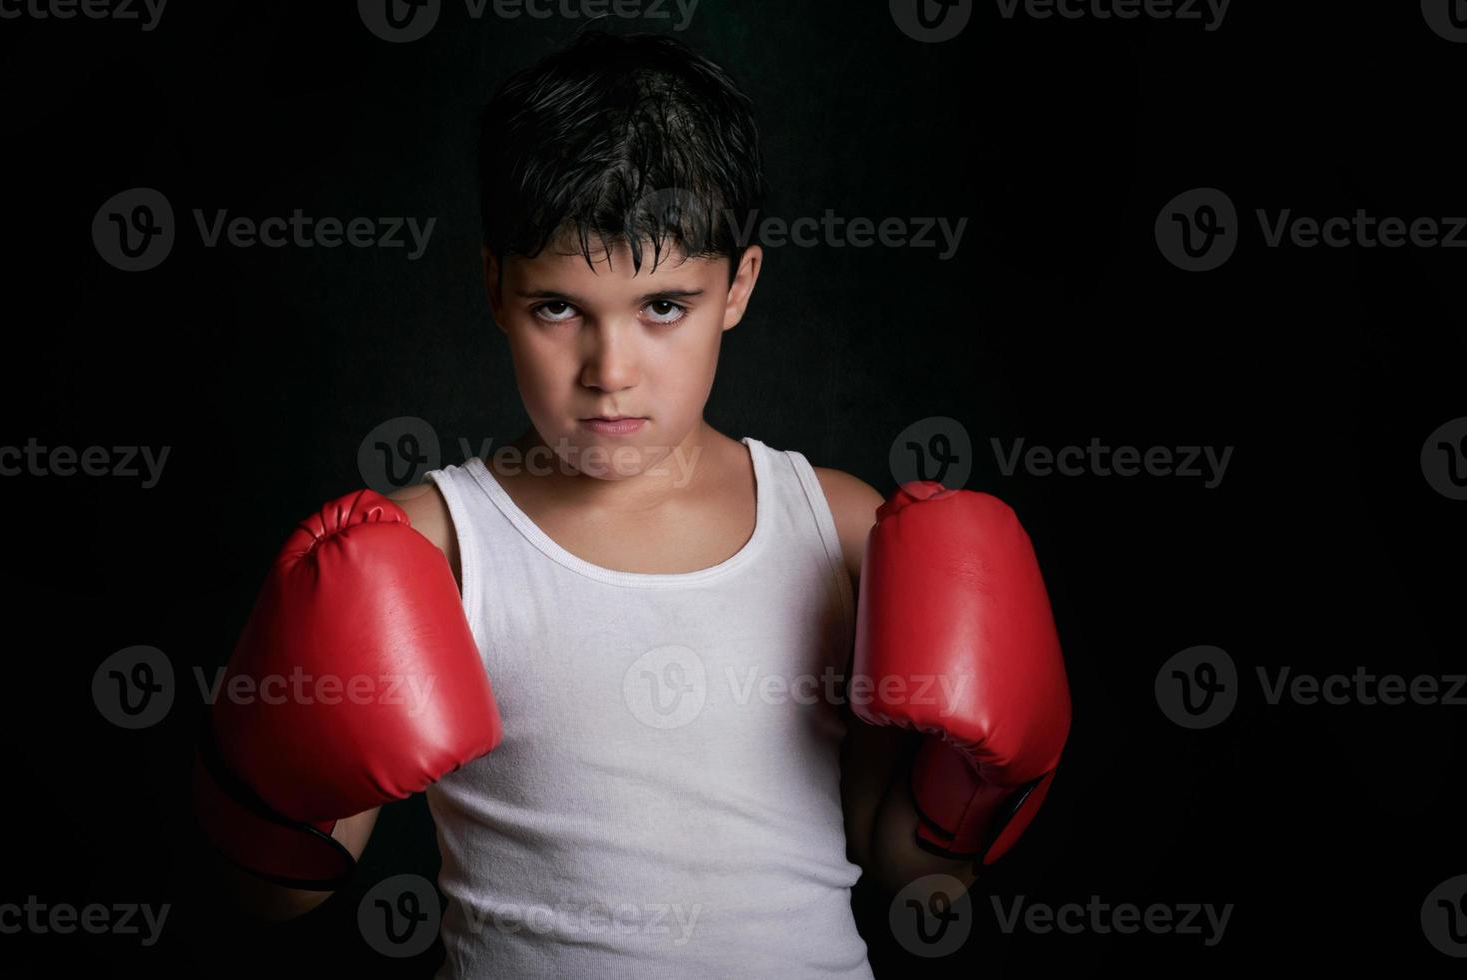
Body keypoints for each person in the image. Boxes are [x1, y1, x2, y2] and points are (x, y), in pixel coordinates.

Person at [193, 29, 1070, 978]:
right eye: (559, 308)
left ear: (739, 286)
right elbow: (273, 898)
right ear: (495, 288)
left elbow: (912, 878)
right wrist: (280, 786)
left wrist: (970, 792)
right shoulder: (424, 548)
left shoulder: (842, 530)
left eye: (663, 307)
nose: (610, 374)